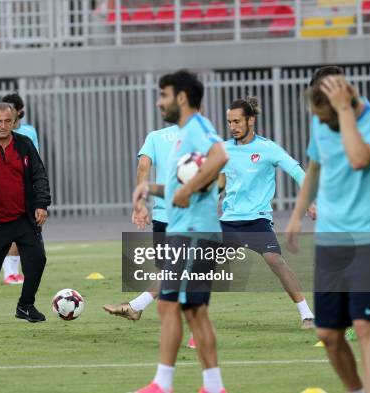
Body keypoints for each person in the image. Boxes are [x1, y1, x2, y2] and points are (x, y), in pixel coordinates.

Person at [132, 70, 228, 393]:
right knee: (186, 308)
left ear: (181, 97)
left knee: (177, 306)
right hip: (185, 232)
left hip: (194, 234)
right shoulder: (186, 133)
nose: (159, 102)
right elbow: (178, 186)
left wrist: (189, 191)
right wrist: (149, 189)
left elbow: (220, 156)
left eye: (164, 95)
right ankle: (204, 385)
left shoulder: (198, 128)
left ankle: (167, 384)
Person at [286, 68, 370, 393]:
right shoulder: (321, 120)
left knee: (365, 327)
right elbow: (315, 168)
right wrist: (296, 216)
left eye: (327, 117)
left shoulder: (366, 119)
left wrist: (346, 112)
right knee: (328, 334)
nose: (322, 123)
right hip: (330, 242)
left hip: (367, 239)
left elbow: (359, 158)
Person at [218, 96, 315, 328]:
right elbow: (217, 184)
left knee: (275, 261)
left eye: (237, 121)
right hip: (228, 221)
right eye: (230, 122)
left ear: (251, 120)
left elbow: (296, 171)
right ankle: (139, 306)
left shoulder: (267, 148)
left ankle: (307, 315)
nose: (232, 127)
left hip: (257, 221)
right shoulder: (222, 150)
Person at [0, 102, 51, 325]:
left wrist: (41, 204)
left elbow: (39, 176)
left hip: (25, 218)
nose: (3, 126)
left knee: (37, 260)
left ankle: (25, 306)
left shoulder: (24, 145)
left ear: (14, 122)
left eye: (7, 121)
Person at [102, 124, 178, 321]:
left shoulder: (156, 136)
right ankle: (136, 307)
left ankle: (136, 307)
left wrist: (139, 205)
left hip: (162, 216)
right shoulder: (202, 136)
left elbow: (143, 166)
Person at [0, 92, 40, 285]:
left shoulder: (29, 132)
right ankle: (10, 271)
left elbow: (35, 161)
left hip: (25, 188)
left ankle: (13, 270)